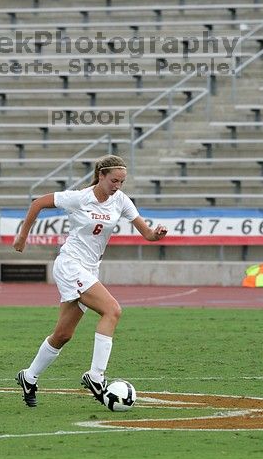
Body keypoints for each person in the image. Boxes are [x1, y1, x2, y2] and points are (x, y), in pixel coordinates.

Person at [12, 154, 167, 407]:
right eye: (114, 180)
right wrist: (22, 237)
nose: (117, 186)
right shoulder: (80, 198)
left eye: (122, 181)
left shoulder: (121, 201)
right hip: (71, 265)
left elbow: (147, 233)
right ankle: (96, 376)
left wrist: (156, 234)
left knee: (63, 334)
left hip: (89, 270)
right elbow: (38, 203)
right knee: (113, 310)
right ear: (101, 176)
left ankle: (28, 377)